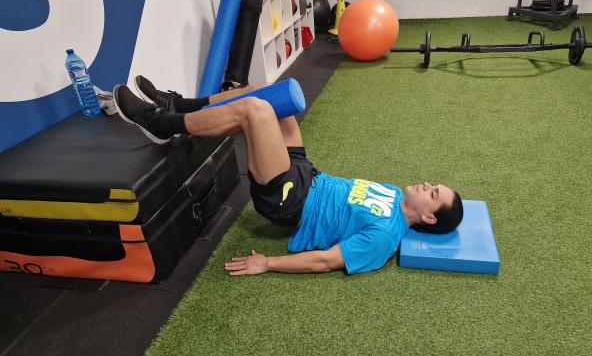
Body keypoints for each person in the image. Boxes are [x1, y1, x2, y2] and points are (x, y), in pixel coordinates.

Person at [113, 77, 464, 276]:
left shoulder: (385, 236)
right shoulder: (394, 194)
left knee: (256, 110)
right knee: (273, 93)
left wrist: (267, 263)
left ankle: (161, 123)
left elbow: (327, 260)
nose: (427, 185)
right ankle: (181, 106)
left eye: (433, 194)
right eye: (435, 185)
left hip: (290, 201)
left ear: (429, 218)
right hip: (306, 174)